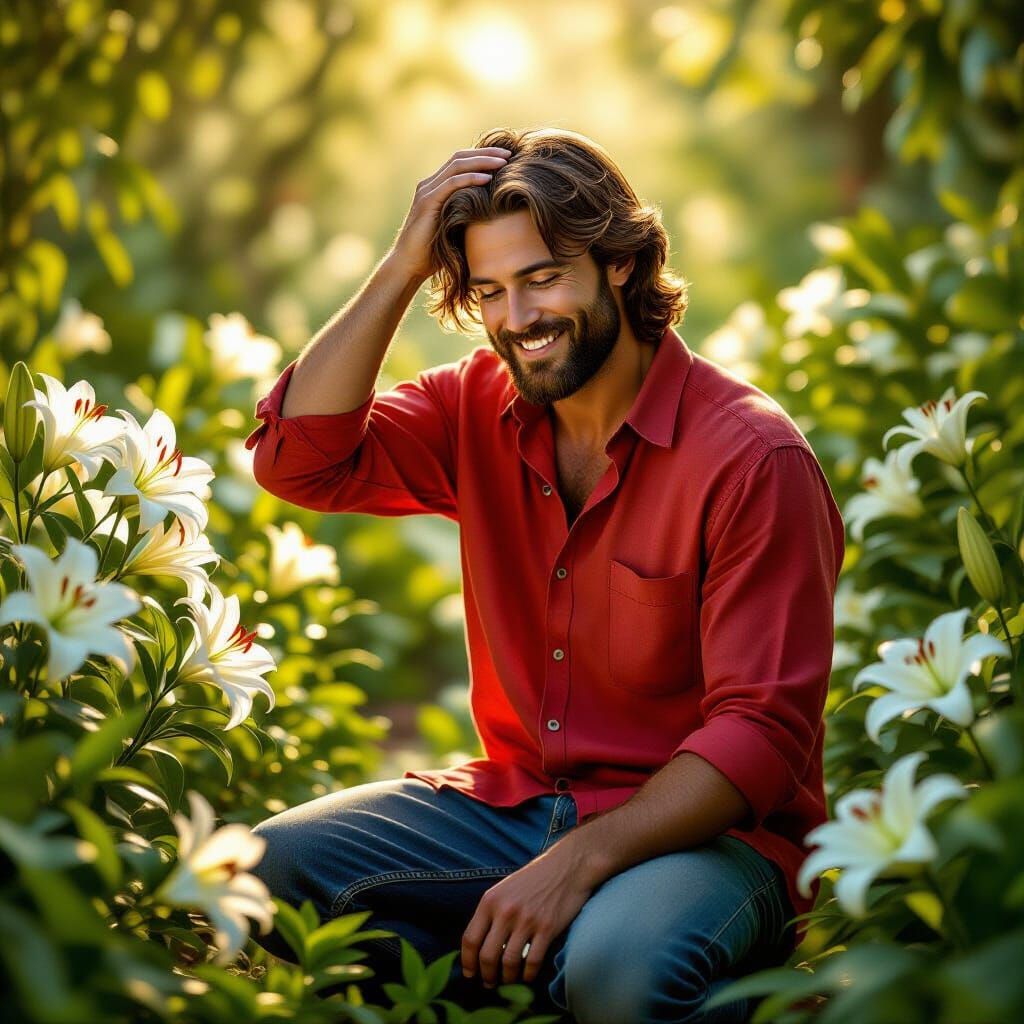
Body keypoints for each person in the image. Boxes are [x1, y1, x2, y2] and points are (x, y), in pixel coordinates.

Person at [243, 126, 846, 1023]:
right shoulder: (472, 406)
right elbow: (298, 459)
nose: (517, 318)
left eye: (543, 277)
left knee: (621, 969)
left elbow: (759, 735)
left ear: (622, 266)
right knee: (262, 876)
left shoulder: (752, 459)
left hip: (710, 839)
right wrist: (407, 261)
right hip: (519, 808)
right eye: (488, 291)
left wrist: (578, 865)